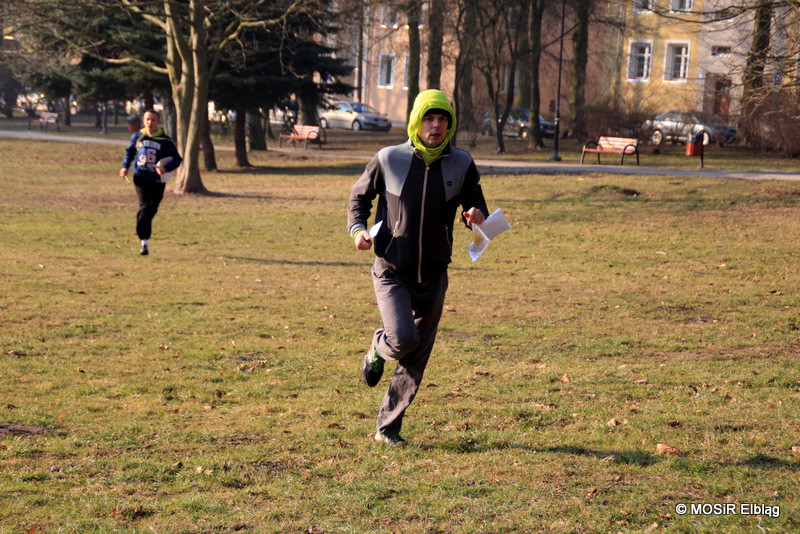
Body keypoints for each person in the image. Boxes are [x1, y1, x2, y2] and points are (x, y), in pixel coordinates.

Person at [347, 89, 489, 446]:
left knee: (417, 355)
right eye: (430, 118)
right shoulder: (389, 158)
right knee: (402, 338)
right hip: (392, 268)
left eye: (443, 119)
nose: (437, 125)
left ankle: (387, 428)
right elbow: (359, 197)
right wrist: (358, 230)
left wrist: (476, 217)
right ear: (417, 121)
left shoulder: (462, 163)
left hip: (434, 274)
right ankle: (377, 349)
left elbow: (477, 206)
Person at [119, 109, 182, 256]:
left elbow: (177, 159)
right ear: (143, 120)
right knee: (145, 205)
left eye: (153, 120)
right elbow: (130, 152)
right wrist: (125, 167)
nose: (150, 122)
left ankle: (143, 224)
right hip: (141, 177)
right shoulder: (137, 136)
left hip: (158, 180)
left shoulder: (165, 140)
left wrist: (166, 168)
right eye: (147, 119)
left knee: (152, 208)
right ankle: (144, 240)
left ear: (158, 122)